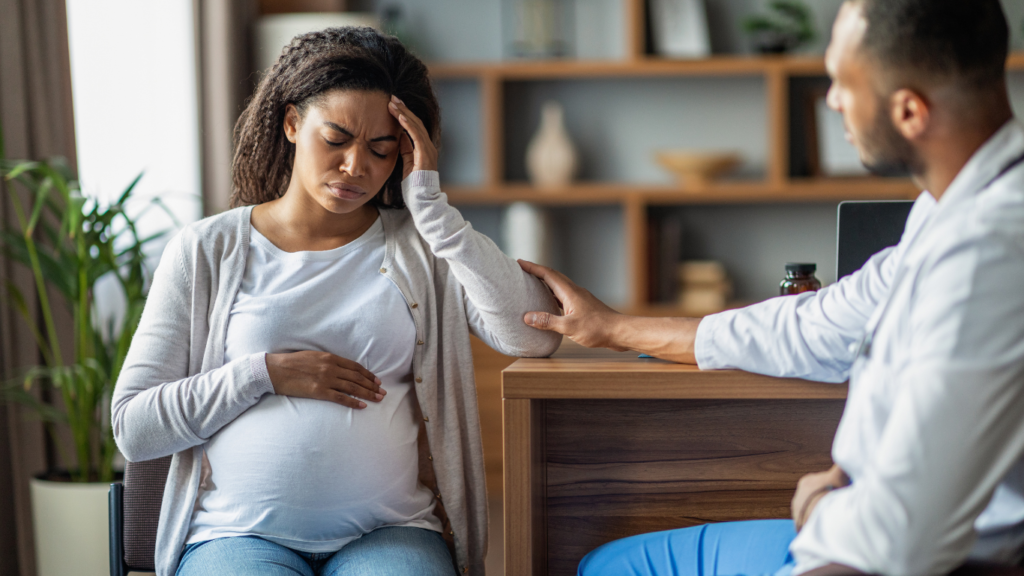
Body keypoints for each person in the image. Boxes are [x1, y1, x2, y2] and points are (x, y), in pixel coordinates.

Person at [519, 1, 1024, 574]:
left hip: (864, 556)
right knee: (608, 564)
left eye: (841, 82)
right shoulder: (953, 210)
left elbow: (901, 537)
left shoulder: (989, 256)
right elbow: (813, 322)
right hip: (850, 527)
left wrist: (816, 506)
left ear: (909, 111)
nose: (831, 100)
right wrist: (612, 328)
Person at [112, 27, 560, 576]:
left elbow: (533, 335)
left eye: (380, 149)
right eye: (337, 139)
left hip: (391, 533)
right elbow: (134, 428)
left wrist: (435, 212)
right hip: (236, 536)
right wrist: (263, 374)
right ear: (293, 122)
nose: (356, 167)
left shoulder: (422, 247)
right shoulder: (207, 250)